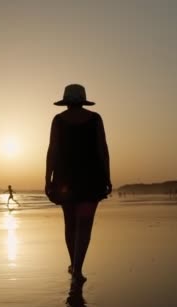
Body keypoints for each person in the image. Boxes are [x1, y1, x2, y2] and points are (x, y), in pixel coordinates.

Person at [45, 84, 111, 283]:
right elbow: (102, 149)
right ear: (83, 100)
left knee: (70, 224)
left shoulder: (58, 120)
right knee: (85, 226)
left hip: (66, 179)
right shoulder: (95, 118)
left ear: (66, 102)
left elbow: (52, 150)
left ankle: (73, 265)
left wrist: (47, 178)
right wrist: (107, 176)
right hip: (92, 179)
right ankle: (78, 268)